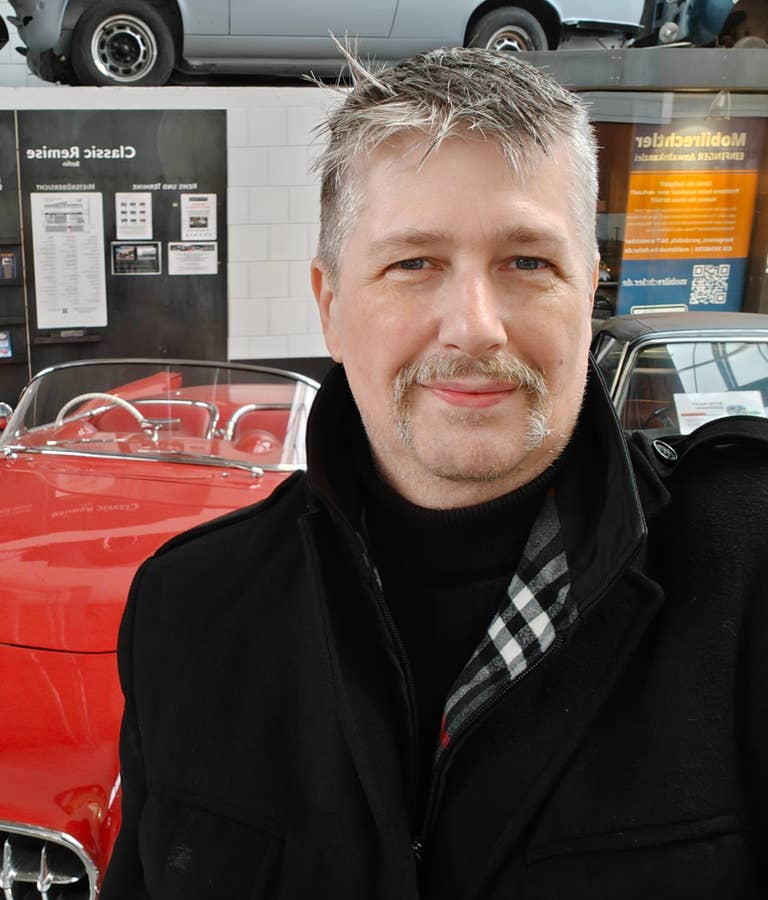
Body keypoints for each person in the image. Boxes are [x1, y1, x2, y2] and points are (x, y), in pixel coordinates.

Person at [101, 47, 768, 899]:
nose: (475, 327)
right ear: (331, 306)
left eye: (528, 262)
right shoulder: (189, 610)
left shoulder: (748, 573)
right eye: (413, 263)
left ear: (589, 293)